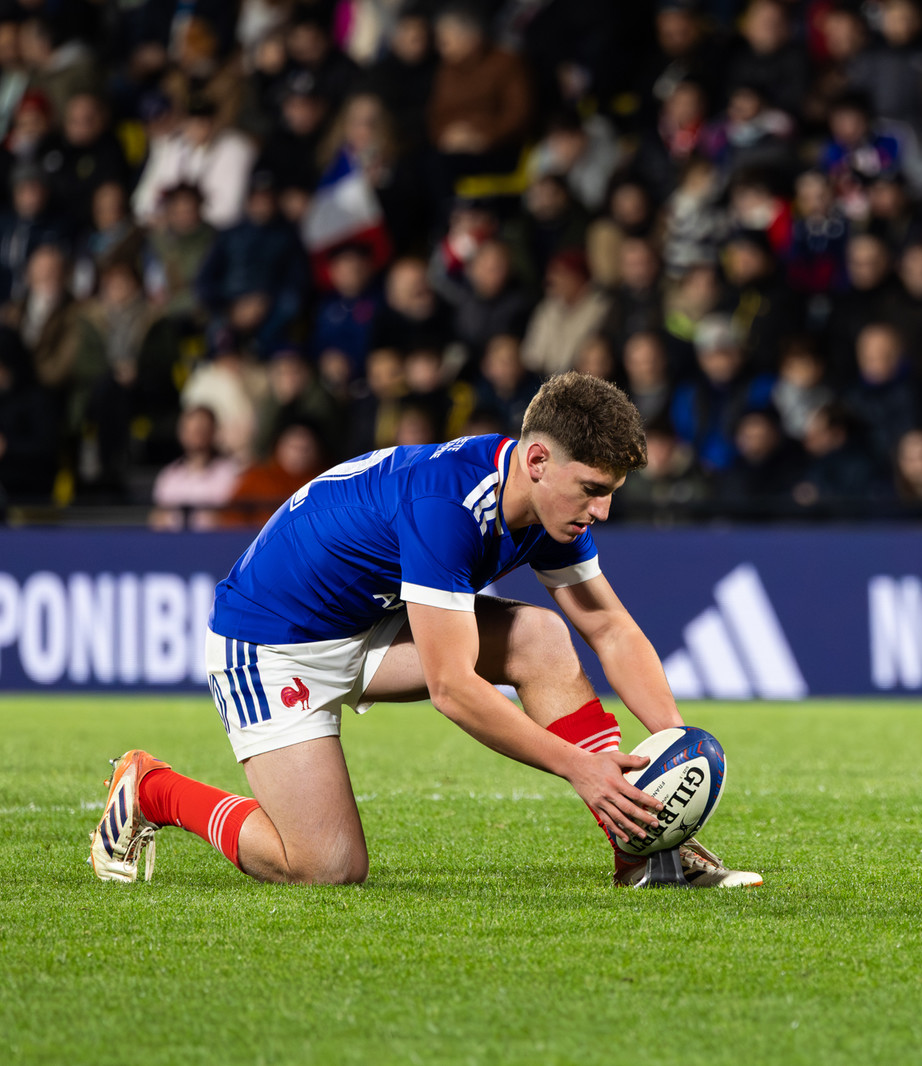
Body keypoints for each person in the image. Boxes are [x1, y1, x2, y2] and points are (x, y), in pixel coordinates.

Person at [92, 372, 761, 889]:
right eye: (591, 488)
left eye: (610, 491)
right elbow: (452, 689)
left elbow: (611, 628)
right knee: (326, 867)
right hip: (272, 642)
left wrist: (676, 747)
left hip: (366, 620)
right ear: (536, 461)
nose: (603, 510)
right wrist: (581, 768)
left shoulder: (546, 507)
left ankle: (639, 853)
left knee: (541, 640)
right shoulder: (449, 507)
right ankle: (150, 787)